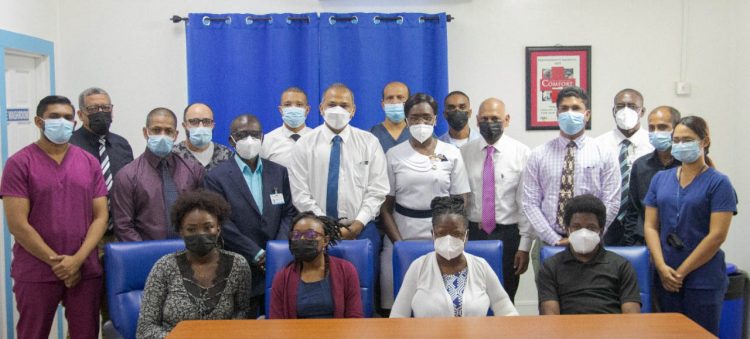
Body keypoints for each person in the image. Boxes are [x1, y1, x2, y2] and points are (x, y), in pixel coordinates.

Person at [0, 95, 108, 339]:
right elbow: (18, 225)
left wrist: (77, 260)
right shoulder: (19, 163)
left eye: (68, 117)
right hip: (36, 269)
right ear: (39, 121)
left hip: (84, 268)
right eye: (54, 117)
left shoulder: (89, 162)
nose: (63, 122)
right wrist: (58, 263)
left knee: (86, 334)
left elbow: (101, 216)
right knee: (32, 333)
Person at [644, 116, 737, 336]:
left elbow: (717, 235)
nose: (680, 145)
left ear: (704, 142)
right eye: (676, 140)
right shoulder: (660, 179)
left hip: (702, 277)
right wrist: (661, 267)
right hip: (665, 275)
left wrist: (681, 273)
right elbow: (650, 226)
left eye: (687, 139)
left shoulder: (719, 182)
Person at [379, 93, 470, 310]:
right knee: (396, 302)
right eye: (415, 117)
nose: (421, 123)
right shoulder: (393, 154)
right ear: (407, 120)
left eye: (426, 118)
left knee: (438, 301)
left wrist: (447, 236)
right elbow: (385, 207)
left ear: (435, 119)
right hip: (400, 233)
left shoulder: (451, 153)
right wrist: (399, 244)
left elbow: (461, 201)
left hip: (442, 234)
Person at [204, 114, 297, 315]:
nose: (249, 140)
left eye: (255, 135)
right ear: (231, 140)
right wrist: (257, 254)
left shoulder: (278, 171)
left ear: (262, 138)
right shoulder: (216, 177)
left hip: (277, 263)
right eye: (243, 135)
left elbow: (288, 212)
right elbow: (221, 222)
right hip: (239, 263)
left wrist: (276, 250)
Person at [522, 86, 620, 274]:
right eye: (564, 108)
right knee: (549, 300)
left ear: (587, 114)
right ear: (557, 113)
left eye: (576, 108)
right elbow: (530, 203)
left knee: (592, 297)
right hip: (549, 243)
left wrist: (590, 235)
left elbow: (612, 201)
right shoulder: (538, 154)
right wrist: (554, 239)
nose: (570, 113)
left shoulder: (605, 153)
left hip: (593, 242)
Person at [289, 82, 388, 258]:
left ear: (353, 110)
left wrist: (358, 223)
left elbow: (378, 190)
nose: (338, 110)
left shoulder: (369, 143)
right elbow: (300, 194)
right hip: (315, 228)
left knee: (362, 282)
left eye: (344, 105)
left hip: (362, 227)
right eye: (332, 104)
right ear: (321, 108)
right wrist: (325, 224)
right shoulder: (304, 144)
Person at [136, 189, 252, 338]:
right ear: (181, 232)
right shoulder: (164, 267)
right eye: (191, 229)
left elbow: (242, 314)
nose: (200, 234)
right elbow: (145, 329)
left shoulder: (238, 265)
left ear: (218, 228)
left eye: (208, 227)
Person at [390, 196, 518, 318]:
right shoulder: (418, 267)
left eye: (456, 233)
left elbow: (505, 308)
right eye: (441, 233)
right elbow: (398, 316)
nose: (449, 239)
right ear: (433, 234)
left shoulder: (481, 266)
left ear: (466, 236)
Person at [461, 98, 532, 302]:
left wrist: (524, 246)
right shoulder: (465, 153)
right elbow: (462, 200)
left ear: (507, 120)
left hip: (509, 235)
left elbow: (526, 204)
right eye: (484, 118)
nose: (489, 122)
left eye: (495, 118)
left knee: (506, 294)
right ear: (476, 120)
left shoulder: (522, 153)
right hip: (474, 233)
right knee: (474, 294)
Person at [536, 194, 641, 315]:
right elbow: (551, 318)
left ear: (601, 231)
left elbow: (631, 317)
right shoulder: (550, 267)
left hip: (612, 330)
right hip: (567, 331)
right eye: (577, 227)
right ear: (567, 229)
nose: (584, 233)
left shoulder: (621, 266)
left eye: (591, 227)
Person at [112, 107, 205, 241]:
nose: (162, 135)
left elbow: (203, 215)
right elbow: (123, 227)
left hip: (190, 254)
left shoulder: (194, 170)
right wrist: (148, 254)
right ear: (146, 132)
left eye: (168, 131)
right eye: (156, 130)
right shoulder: (127, 175)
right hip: (146, 255)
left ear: (176, 135)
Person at [269, 211, 363, 318]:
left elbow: (354, 317)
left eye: (310, 234)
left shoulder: (346, 270)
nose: (302, 239)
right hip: (295, 334)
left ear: (325, 240)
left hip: (338, 333)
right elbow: (276, 322)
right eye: (296, 235)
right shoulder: (283, 277)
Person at [596, 89, 654, 245]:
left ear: (642, 111)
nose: (625, 111)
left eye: (632, 106)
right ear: (613, 111)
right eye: (620, 106)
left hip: (643, 222)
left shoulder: (654, 145)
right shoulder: (598, 145)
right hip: (606, 223)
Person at [622, 106, 682, 245]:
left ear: (676, 128)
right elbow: (633, 210)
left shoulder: (686, 164)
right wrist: (631, 246)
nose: (656, 133)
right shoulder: (641, 165)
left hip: (678, 240)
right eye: (651, 128)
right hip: (644, 240)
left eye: (662, 127)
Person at [261, 87, 314, 168]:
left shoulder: (317, 138)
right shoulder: (267, 142)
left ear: (307, 110)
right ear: (280, 110)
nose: (293, 108)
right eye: (287, 105)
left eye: (299, 105)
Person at [173, 103, 232, 171]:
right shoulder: (174, 155)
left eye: (207, 121)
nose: (201, 127)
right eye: (194, 121)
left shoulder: (226, 154)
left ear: (213, 125)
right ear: (184, 125)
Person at [369, 81, 411, 153]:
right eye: (390, 98)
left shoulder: (419, 133)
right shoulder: (370, 135)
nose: (395, 102)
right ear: (383, 104)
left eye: (400, 97)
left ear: (409, 103)